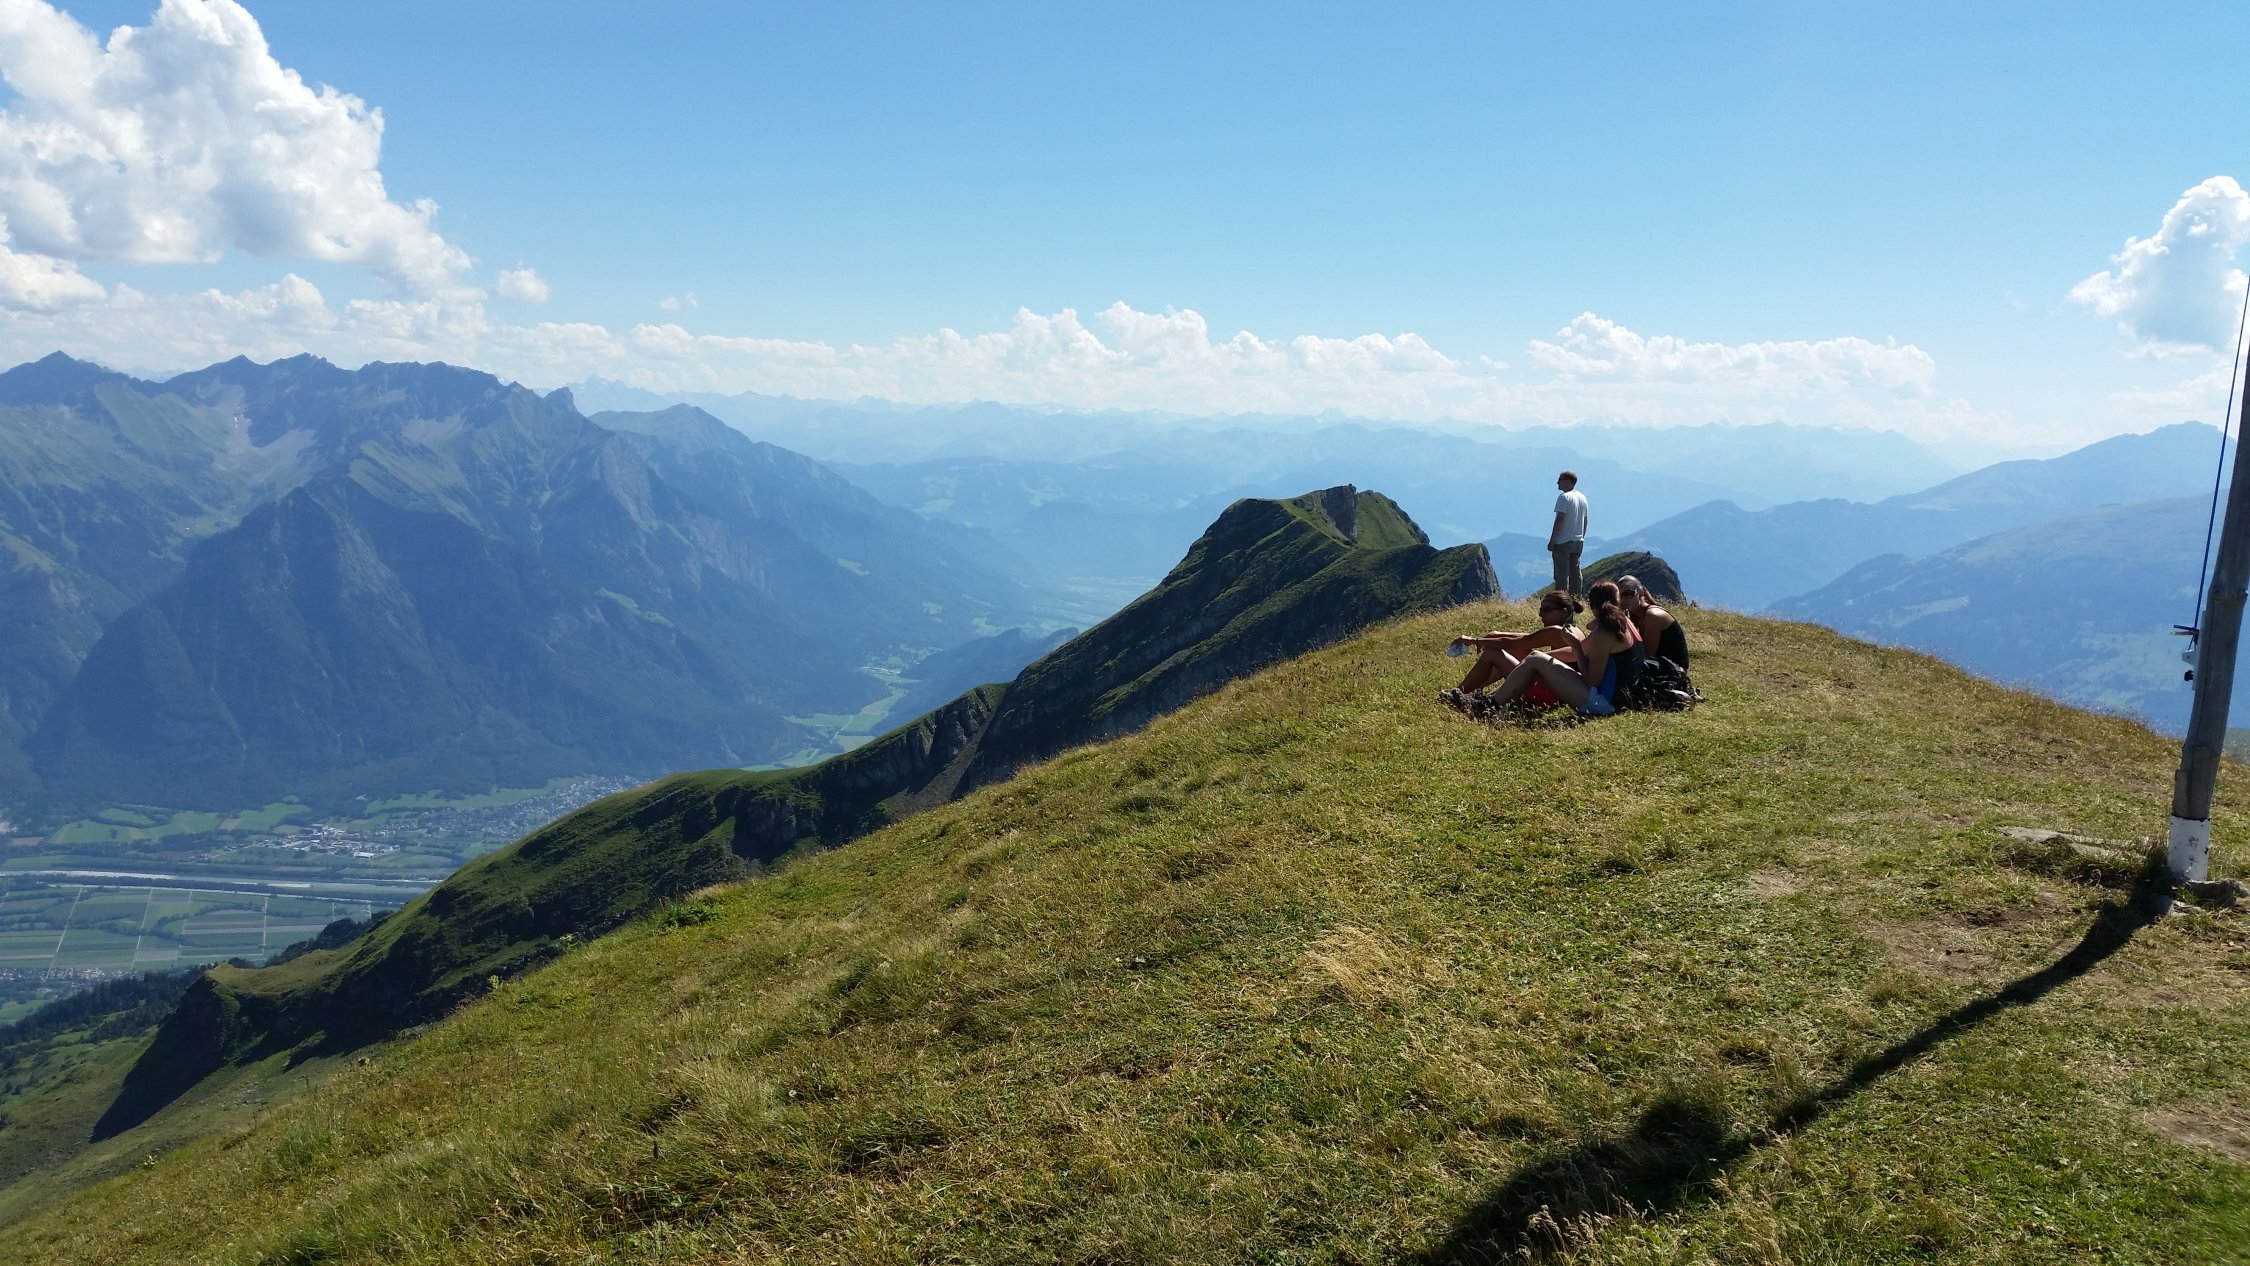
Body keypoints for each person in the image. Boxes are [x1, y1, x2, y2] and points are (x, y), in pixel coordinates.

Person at [1478, 580, 1643, 717]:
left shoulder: (1604, 633)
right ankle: (1489, 701)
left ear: (1592, 606)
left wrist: (1576, 646)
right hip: (1620, 700)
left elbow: (1592, 681)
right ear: (1618, 601)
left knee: (1535, 659)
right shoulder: (1624, 623)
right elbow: (1590, 627)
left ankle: (1486, 707)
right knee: (1535, 660)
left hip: (1604, 705)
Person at [1443, 593, 1585, 699]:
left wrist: (1474, 640)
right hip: (1562, 693)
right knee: (1514, 652)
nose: (1541, 614)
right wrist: (1494, 635)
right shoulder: (1574, 631)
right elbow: (1526, 638)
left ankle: (1458, 693)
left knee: (1493, 654)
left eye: (1546, 610)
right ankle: (1480, 695)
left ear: (1563, 612)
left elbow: (1512, 642)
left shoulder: (1556, 631)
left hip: (1546, 695)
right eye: (1541, 610)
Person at [1618, 574, 1688, 669]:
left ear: (1641, 593)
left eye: (1628, 594)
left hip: (1674, 671)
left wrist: (1628, 626)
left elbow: (1647, 655)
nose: (1622, 600)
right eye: (1619, 596)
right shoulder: (1637, 616)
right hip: (1659, 665)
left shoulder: (1653, 615)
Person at [1549, 470, 1589, 597]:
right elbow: (1585, 520)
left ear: (1568, 481)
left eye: (1560, 480)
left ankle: (1560, 600)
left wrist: (1552, 540)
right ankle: (1575, 599)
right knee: (1575, 572)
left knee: (1561, 574)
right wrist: (1582, 536)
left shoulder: (1564, 497)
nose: (1557, 483)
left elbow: (1560, 519)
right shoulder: (1582, 498)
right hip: (1578, 541)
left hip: (1563, 541)